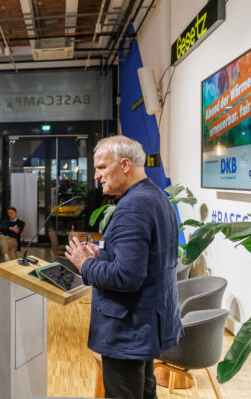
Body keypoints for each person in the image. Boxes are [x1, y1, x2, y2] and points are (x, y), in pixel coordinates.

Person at [65, 136, 183, 399]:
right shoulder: (156, 196)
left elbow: (126, 277)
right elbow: (148, 258)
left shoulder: (133, 207)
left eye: (101, 167)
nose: (96, 176)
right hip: (146, 326)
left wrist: (85, 263)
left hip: (128, 330)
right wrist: (105, 253)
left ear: (125, 165)